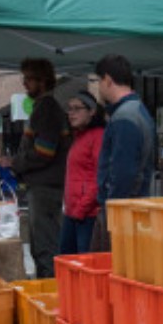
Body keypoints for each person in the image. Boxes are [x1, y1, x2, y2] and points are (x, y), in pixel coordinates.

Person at [0, 58, 70, 278]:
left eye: (29, 78)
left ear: (43, 80)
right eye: (24, 78)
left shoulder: (47, 108)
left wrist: (14, 162)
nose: (24, 83)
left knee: (44, 247)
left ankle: (50, 296)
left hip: (45, 188)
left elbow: (45, 152)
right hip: (43, 187)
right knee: (42, 246)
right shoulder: (43, 106)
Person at [92, 54, 156, 252]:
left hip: (122, 214)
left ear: (108, 80)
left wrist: (112, 210)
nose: (98, 87)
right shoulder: (135, 111)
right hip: (129, 211)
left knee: (108, 272)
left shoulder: (125, 117)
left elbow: (123, 171)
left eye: (97, 81)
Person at [60, 91, 105, 254]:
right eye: (69, 109)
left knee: (84, 264)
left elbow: (99, 176)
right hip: (73, 213)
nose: (71, 113)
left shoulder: (98, 136)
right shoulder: (79, 137)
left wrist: (81, 208)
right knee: (66, 262)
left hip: (87, 215)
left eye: (77, 108)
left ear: (92, 111)